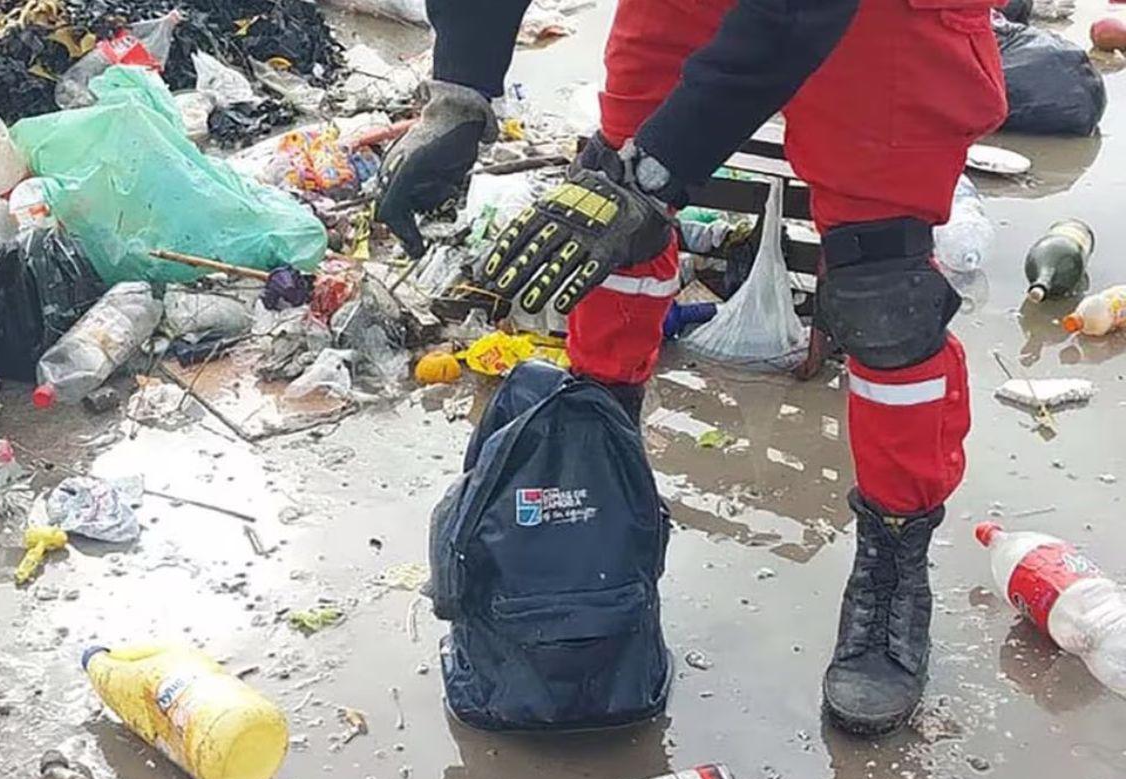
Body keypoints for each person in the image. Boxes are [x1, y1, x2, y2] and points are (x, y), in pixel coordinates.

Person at [376, 0, 1007, 736]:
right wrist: (461, 91)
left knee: (886, 292)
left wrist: (652, 178)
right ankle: (605, 493)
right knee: (608, 211)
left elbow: (795, 17)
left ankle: (892, 565)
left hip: (881, 16)